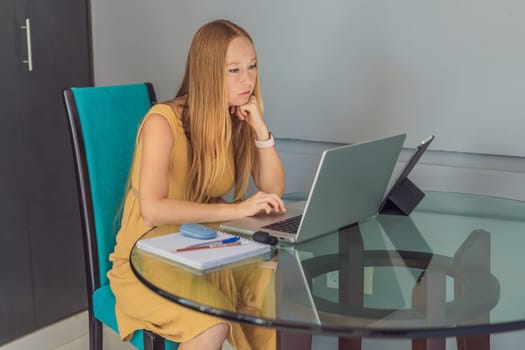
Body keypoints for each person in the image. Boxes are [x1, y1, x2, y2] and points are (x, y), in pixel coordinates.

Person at [107, 19, 286, 350]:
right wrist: (236, 209)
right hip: (148, 258)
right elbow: (153, 209)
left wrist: (260, 129)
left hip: (207, 249)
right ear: (207, 73)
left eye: (252, 66)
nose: (248, 79)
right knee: (212, 322)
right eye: (234, 70)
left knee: (275, 298)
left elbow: (272, 189)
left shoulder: (235, 117)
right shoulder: (163, 122)